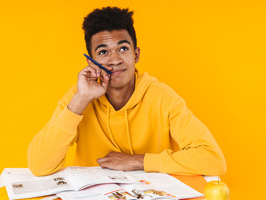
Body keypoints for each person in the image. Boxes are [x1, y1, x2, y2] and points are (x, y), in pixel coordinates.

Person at [28, 7, 226, 176]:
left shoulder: (162, 97)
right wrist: (80, 100)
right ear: (91, 61)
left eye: (123, 49)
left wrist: (137, 161)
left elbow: (213, 159)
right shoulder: (78, 96)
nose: (115, 60)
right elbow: (39, 165)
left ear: (136, 54)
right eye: (103, 52)